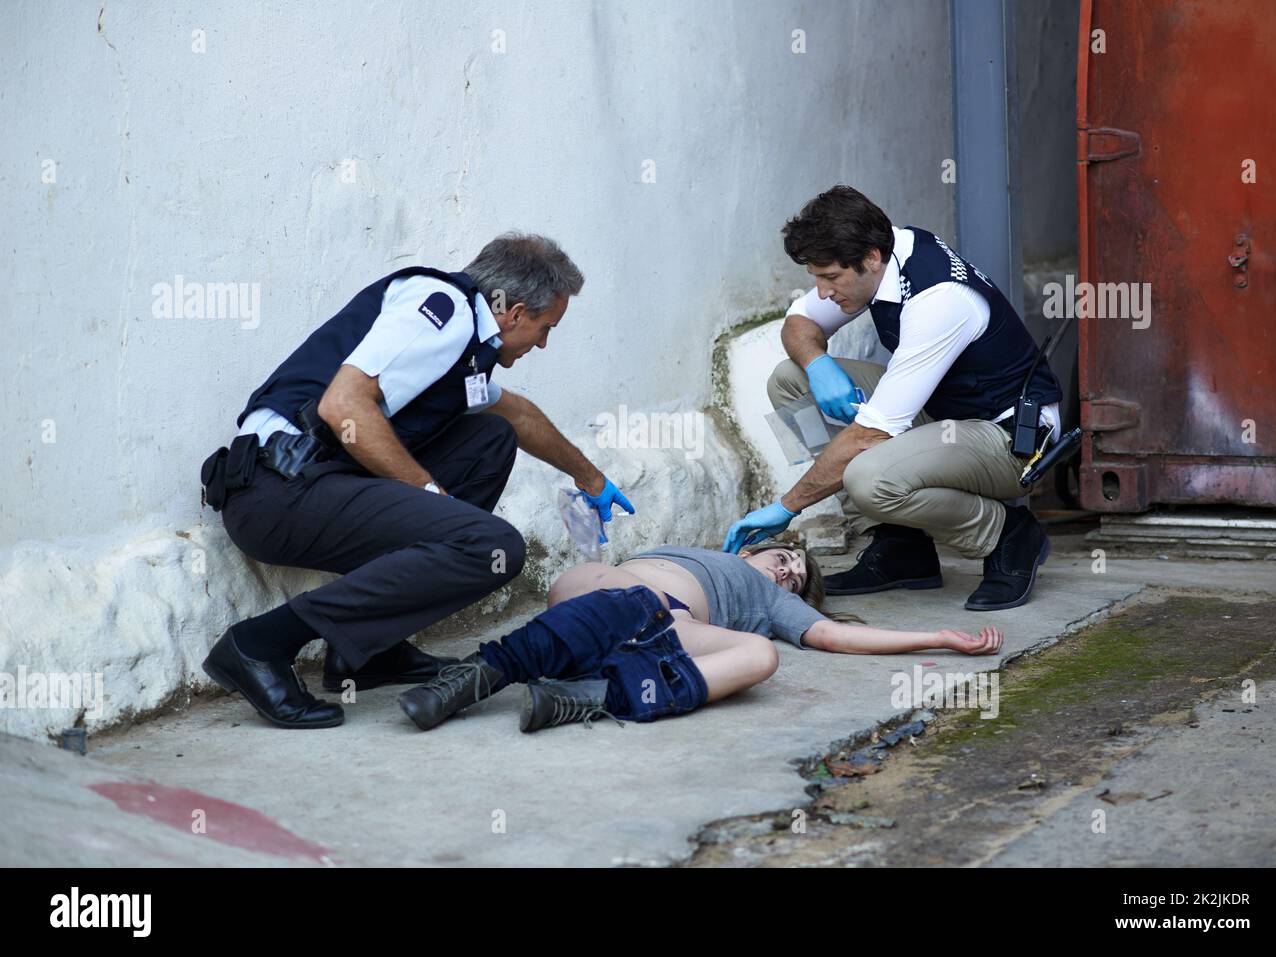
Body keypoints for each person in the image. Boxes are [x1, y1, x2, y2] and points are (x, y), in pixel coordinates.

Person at [198, 233, 635, 729]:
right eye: (543, 328)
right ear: (512, 312)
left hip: (314, 483)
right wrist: (430, 494)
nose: (543, 342)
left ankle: (366, 653)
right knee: (492, 547)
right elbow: (342, 405)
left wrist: (592, 479)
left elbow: (517, 415)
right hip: (276, 491)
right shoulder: (443, 309)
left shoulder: (469, 342)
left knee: (489, 438)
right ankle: (258, 645)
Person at [726, 186, 1063, 611]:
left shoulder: (938, 299)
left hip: (1012, 438)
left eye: (831, 277)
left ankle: (1006, 534)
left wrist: (785, 507)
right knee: (790, 380)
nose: (823, 291)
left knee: (869, 476)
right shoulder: (890, 252)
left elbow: (870, 436)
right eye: (816, 277)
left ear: (870, 258)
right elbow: (800, 321)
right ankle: (899, 544)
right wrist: (816, 363)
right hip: (943, 415)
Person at [397, 540, 1003, 733]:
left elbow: (834, 637)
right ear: (755, 547)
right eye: (788, 556)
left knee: (761, 656)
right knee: (631, 599)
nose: (789, 569)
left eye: (798, 577)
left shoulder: (770, 603)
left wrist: (938, 638)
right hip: (608, 591)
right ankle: (484, 675)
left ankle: (587, 699)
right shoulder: (708, 550)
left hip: (672, 631)